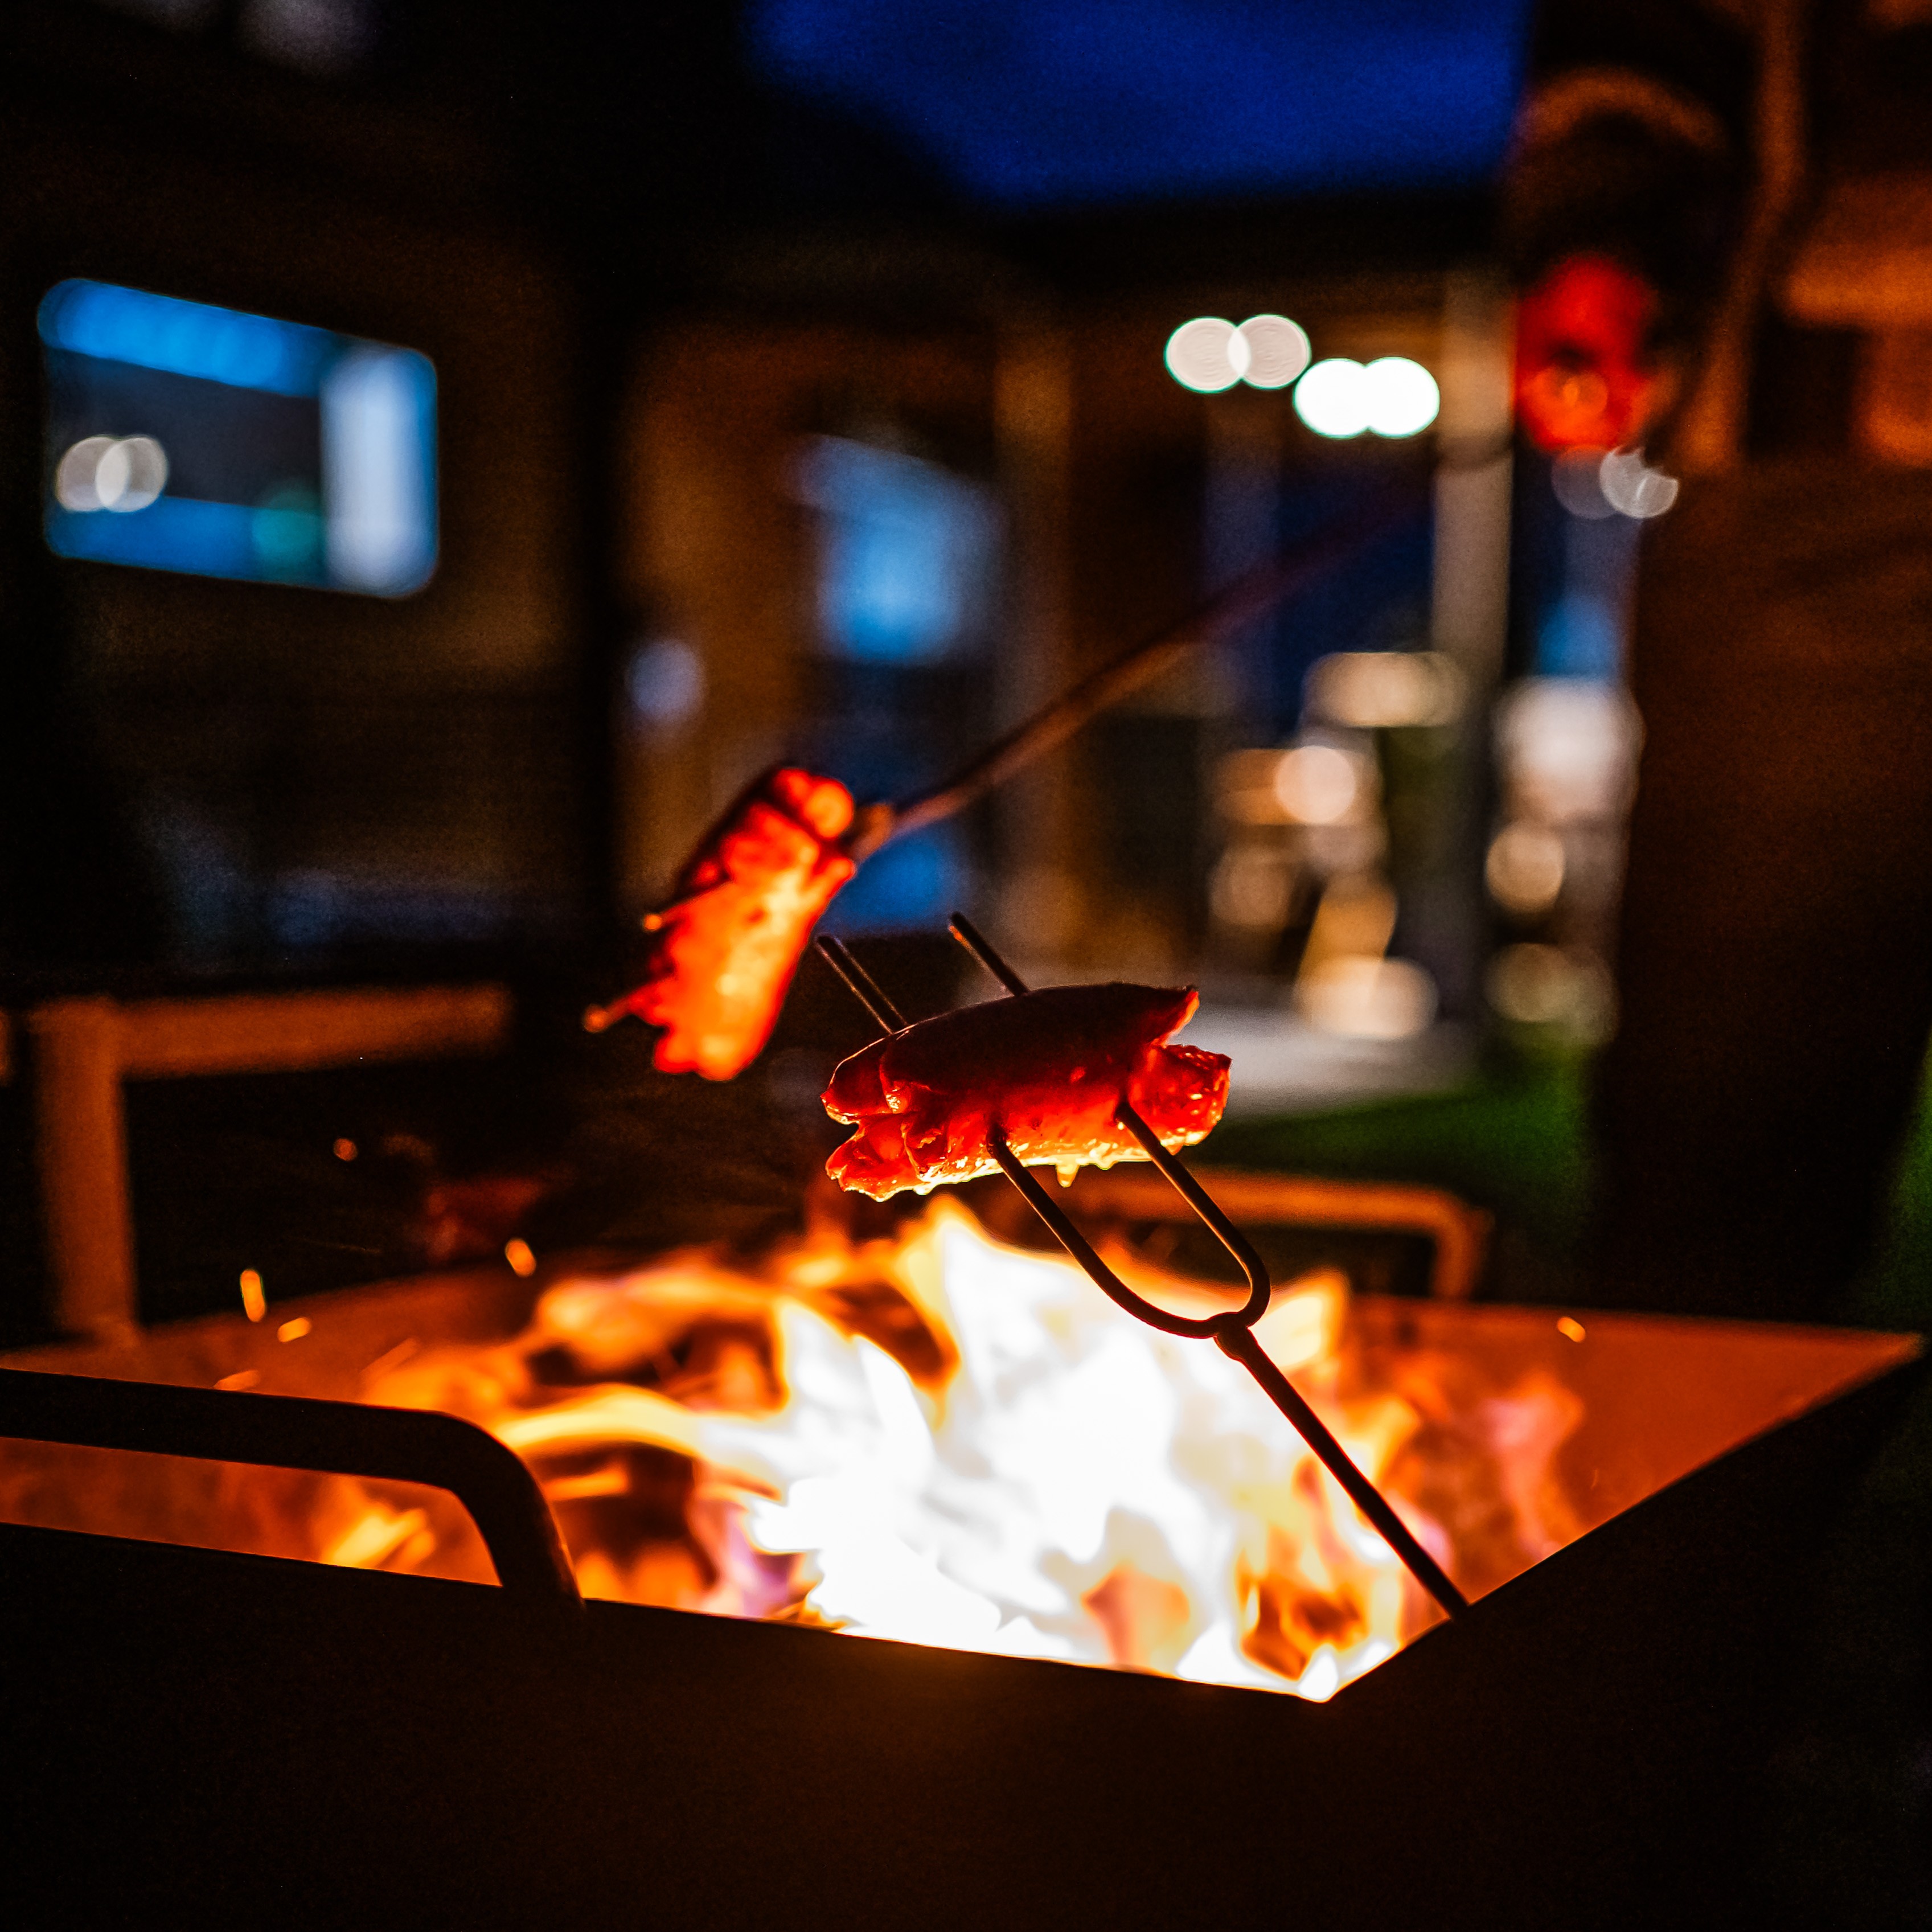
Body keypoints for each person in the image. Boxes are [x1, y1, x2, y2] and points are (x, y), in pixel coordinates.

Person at [1502, 0, 1932, 1318]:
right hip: (1818, 450)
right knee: (1725, 1161)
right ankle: (1691, 1509)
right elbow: (1645, 40)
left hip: (1813, 474)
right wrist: (1599, 233)